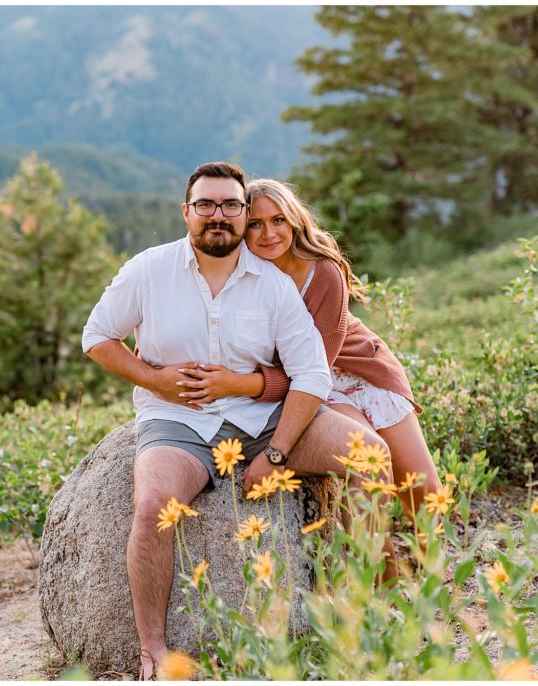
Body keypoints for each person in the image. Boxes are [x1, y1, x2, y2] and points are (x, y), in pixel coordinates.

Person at [82, 162, 394, 680]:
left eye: (230, 205)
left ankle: (354, 605)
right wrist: (154, 380)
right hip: (179, 421)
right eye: (206, 205)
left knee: (370, 456)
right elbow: (97, 337)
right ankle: (153, 651)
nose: (218, 216)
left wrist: (276, 453)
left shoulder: (271, 284)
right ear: (187, 213)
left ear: (243, 213)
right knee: (154, 504)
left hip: (265, 421)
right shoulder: (148, 270)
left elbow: (312, 373)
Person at [173, 178, 443, 523]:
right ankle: (381, 572)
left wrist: (246, 384)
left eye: (278, 220)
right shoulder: (241, 276)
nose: (268, 233)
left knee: (425, 489)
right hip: (316, 392)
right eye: (255, 224)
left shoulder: (323, 271)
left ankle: (436, 571)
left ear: (294, 221)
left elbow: (316, 366)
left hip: (353, 372)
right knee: (367, 463)